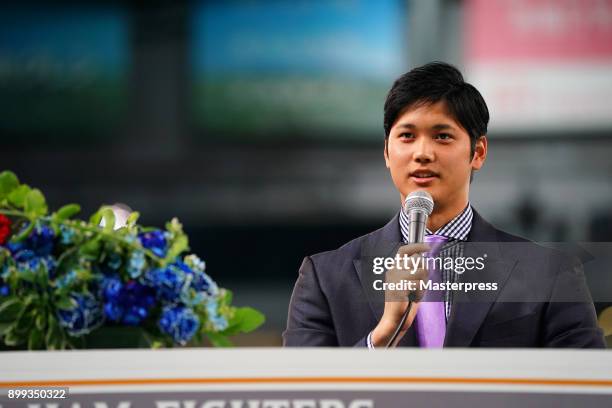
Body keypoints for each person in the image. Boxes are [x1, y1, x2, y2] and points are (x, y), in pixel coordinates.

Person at [282, 62, 605, 348]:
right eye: (407, 136)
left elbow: (584, 389)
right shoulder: (326, 278)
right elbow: (301, 392)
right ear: (386, 152)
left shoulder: (549, 274)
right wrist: (382, 335)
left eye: (442, 136)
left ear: (477, 153)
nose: (422, 153)